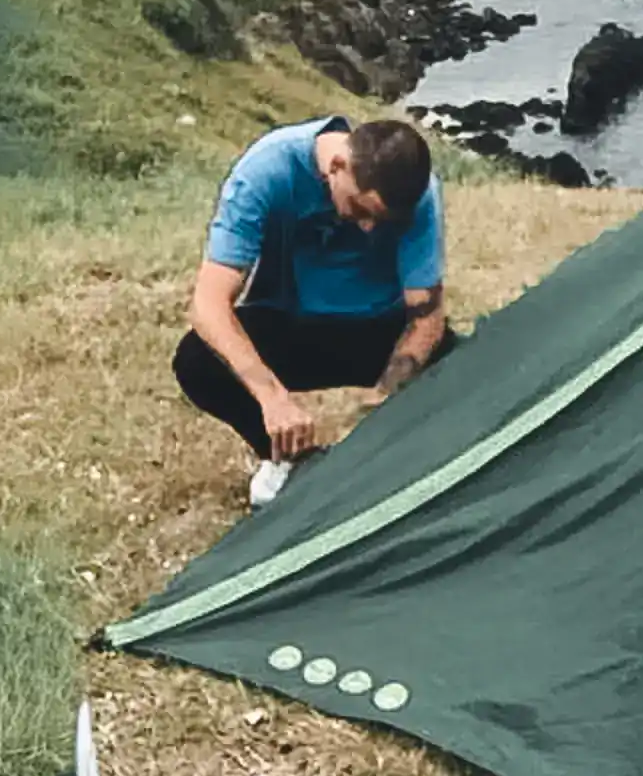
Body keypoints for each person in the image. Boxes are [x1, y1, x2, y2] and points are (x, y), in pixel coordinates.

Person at [173, 113, 453, 507]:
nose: (370, 228)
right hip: (293, 322)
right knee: (197, 361)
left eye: (383, 220)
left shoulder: (418, 193)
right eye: (360, 209)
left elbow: (427, 317)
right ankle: (291, 460)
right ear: (337, 165)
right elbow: (208, 303)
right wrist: (272, 397)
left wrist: (387, 396)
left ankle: (411, 464)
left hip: (378, 327)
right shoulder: (267, 170)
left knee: (455, 368)